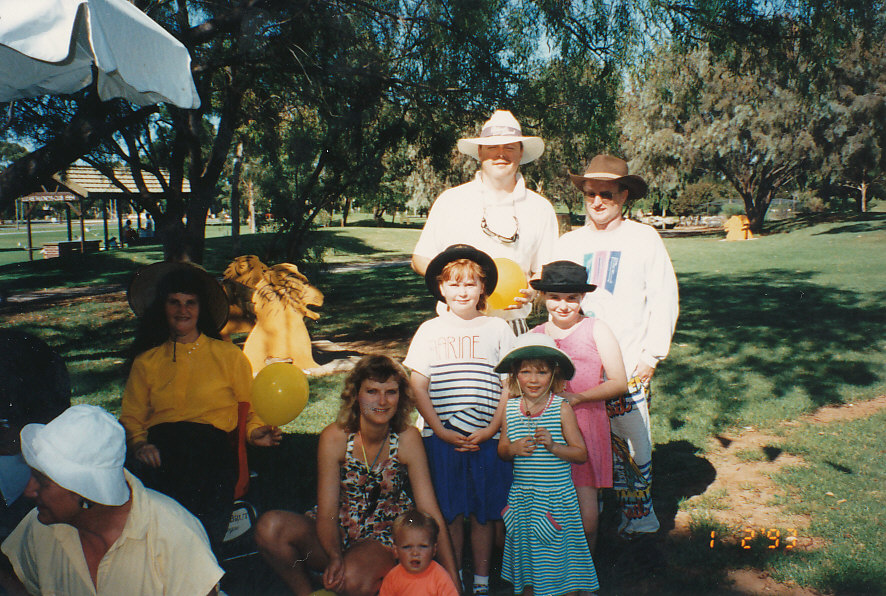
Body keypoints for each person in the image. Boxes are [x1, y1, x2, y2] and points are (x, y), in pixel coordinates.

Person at [254, 355, 459, 596]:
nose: (382, 401)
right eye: (372, 391)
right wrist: (334, 556)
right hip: (335, 528)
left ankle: (367, 578)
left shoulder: (407, 438)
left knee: (351, 579)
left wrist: (454, 582)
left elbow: (429, 511)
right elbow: (327, 512)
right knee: (269, 527)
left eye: (390, 392)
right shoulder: (334, 437)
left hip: (381, 535)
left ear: (401, 396)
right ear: (355, 395)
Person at [554, 154, 679, 542]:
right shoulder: (569, 242)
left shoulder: (643, 239)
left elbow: (663, 298)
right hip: (577, 368)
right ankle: (586, 517)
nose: (597, 201)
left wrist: (651, 355)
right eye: (590, 193)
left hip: (627, 364)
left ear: (624, 195)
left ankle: (638, 520)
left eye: (606, 194)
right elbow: (552, 293)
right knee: (580, 442)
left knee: (632, 444)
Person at [120, 261, 281, 550]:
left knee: (196, 497)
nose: (182, 310)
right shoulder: (147, 362)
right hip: (162, 451)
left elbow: (251, 409)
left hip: (210, 452)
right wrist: (140, 444)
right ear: (163, 307)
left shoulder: (228, 356)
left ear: (201, 308)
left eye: (190, 303)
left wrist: (255, 432)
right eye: (174, 302)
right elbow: (132, 416)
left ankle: (199, 557)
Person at [0, 404, 223, 596]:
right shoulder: (39, 527)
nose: (29, 490)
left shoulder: (171, 532)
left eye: (42, 481)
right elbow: (12, 578)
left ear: (84, 491)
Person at [404, 244, 515, 596]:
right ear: (441, 288)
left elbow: (509, 385)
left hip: (486, 437)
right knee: (449, 512)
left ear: (483, 288)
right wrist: (439, 430)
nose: (462, 291)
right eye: (454, 284)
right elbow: (418, 385)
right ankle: (454, 578)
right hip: (443, 437)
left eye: (470, 284)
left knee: (483, 513)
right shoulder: (430, 330)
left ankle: (481, 581)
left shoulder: (498, 328)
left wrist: (492, 428)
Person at [411, 110, 559, 334]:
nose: (501, 154)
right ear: (479, 152)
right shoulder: (451, 200)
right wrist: (454, 282)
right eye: (492, 147)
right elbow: (420, 258)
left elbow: (545, 268)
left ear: (521, 152)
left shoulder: (540, 208)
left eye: (510, 147)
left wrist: (532, 289)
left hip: (511, 326)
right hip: (455, 324)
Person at [529, 260, 628, 553]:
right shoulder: (536, 335)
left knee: (587, 521)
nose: (563, 305)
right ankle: (552, 570)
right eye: (555, 297)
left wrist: (579, 398)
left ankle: (585, 572)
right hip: (547, 429)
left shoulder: (596, 329)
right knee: (548, 516)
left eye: (571, 298)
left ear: (582, 298)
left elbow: (619, 382)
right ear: (543, 296)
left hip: (586, 423)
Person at [495, 334, 599, 596]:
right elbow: (502, 450)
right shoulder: (511, 408)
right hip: (524, 499)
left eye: (541, 372)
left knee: (559, 563)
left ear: (554, 375)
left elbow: (580, 454)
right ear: (514, 375)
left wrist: (554, 447)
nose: (533, 379)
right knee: (529, 565)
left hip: (555, 501)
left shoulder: (561, 408)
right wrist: (513, 449)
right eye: (526, 372)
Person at [379, 509, 459, 596]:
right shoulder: (392, 578)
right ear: (396, 551)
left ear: (434, 550)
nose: (415, 553)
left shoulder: (440, 577)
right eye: (407, 547)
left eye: (423, 546)